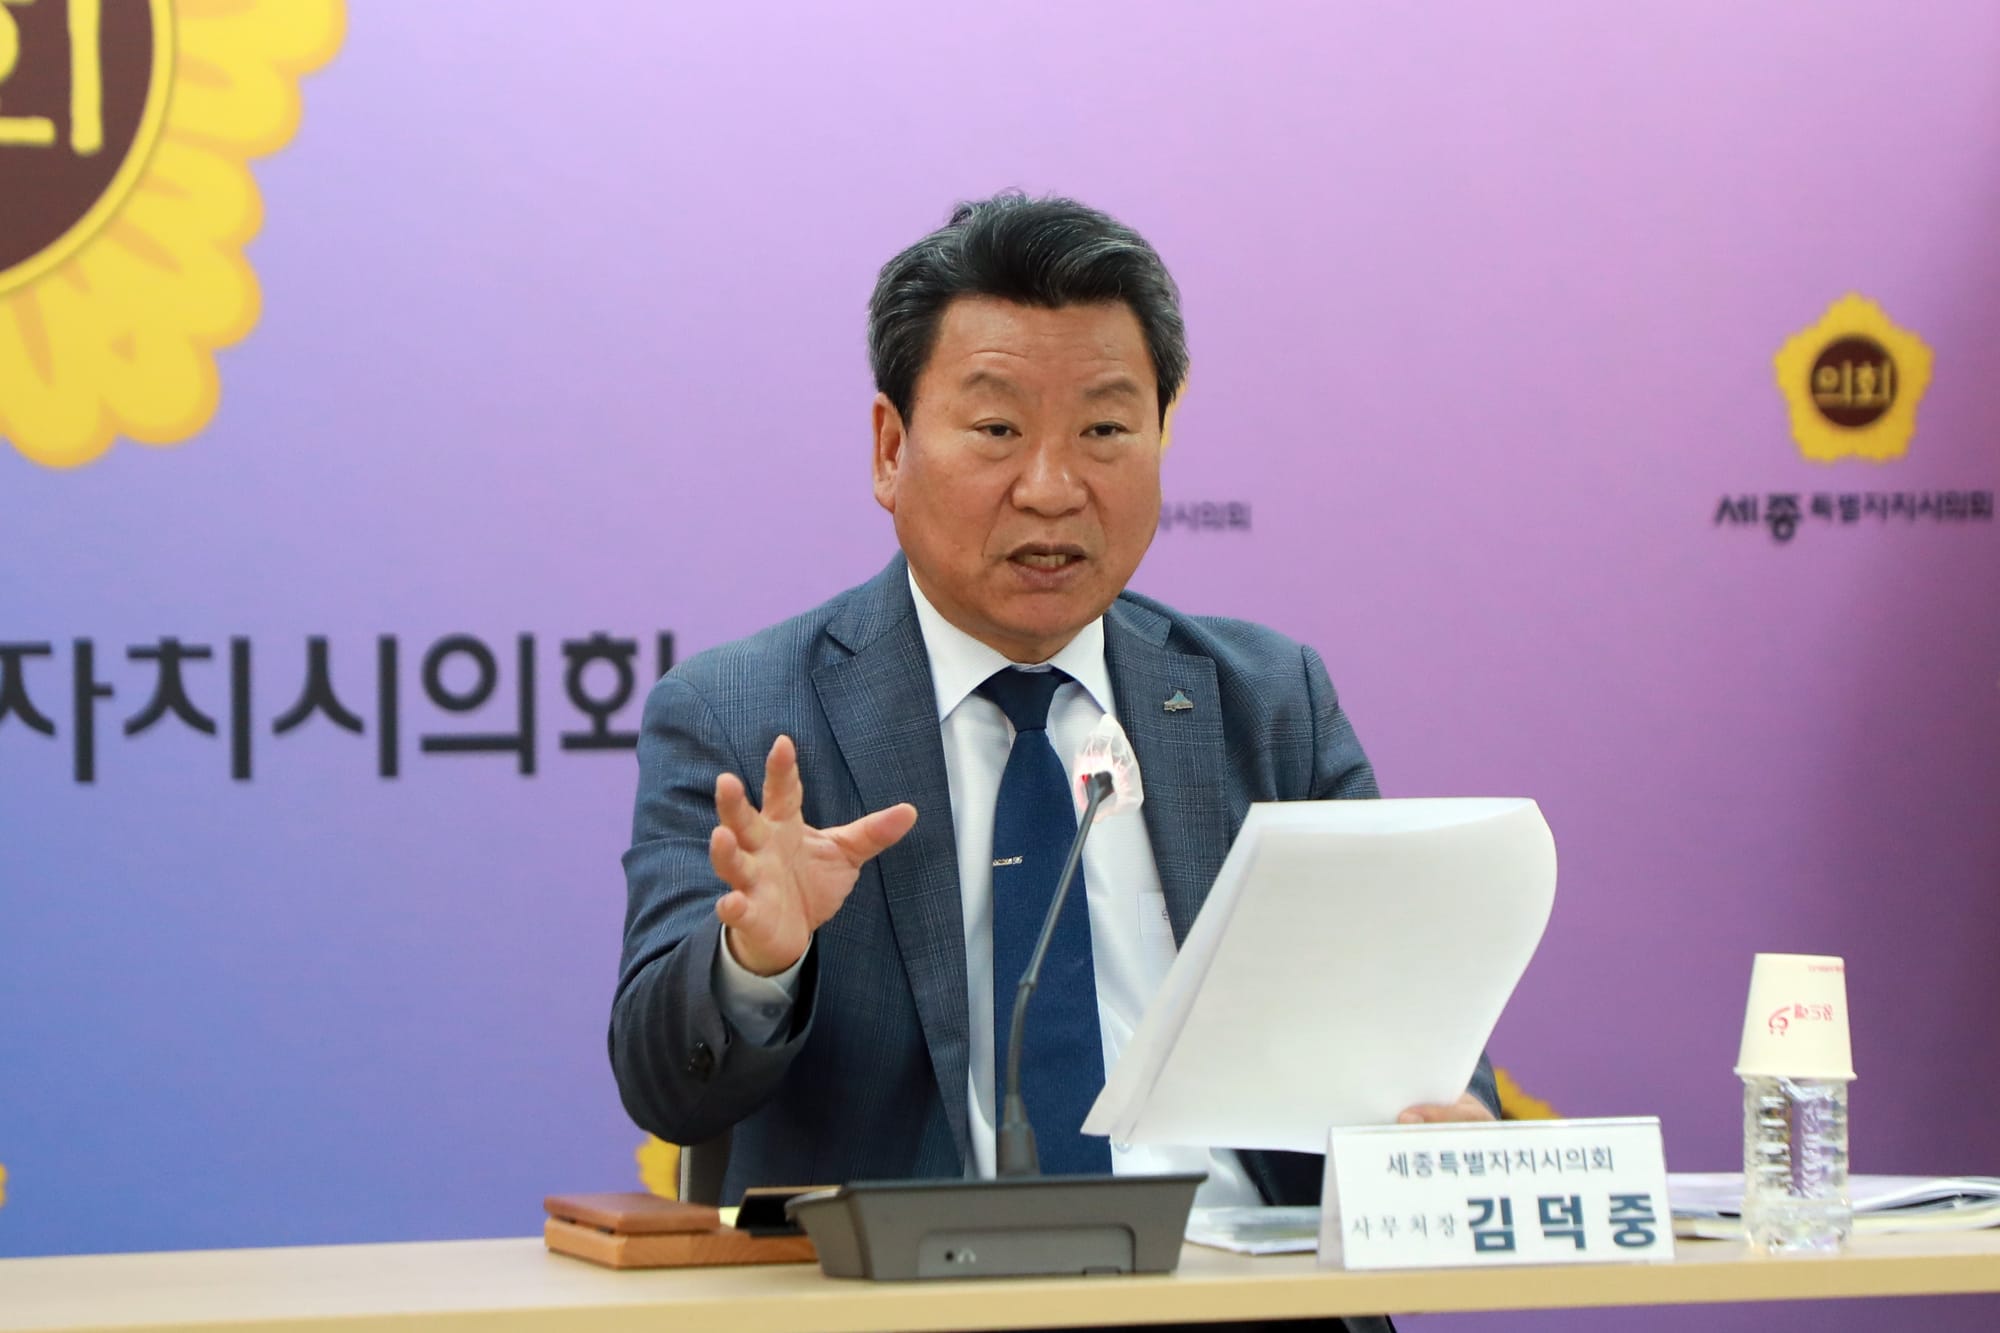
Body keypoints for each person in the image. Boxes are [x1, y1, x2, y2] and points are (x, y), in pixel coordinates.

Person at [610, 195, 1498, 1323]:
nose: (1051, 485)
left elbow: (1407, 1018)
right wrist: (756, 958)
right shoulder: (744, 713)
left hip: (1245, 1299)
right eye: (995, 430)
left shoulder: (1268, 702)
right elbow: (665, 1084)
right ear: (890, 448)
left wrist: (1448, 1119)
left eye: (1105, 431)